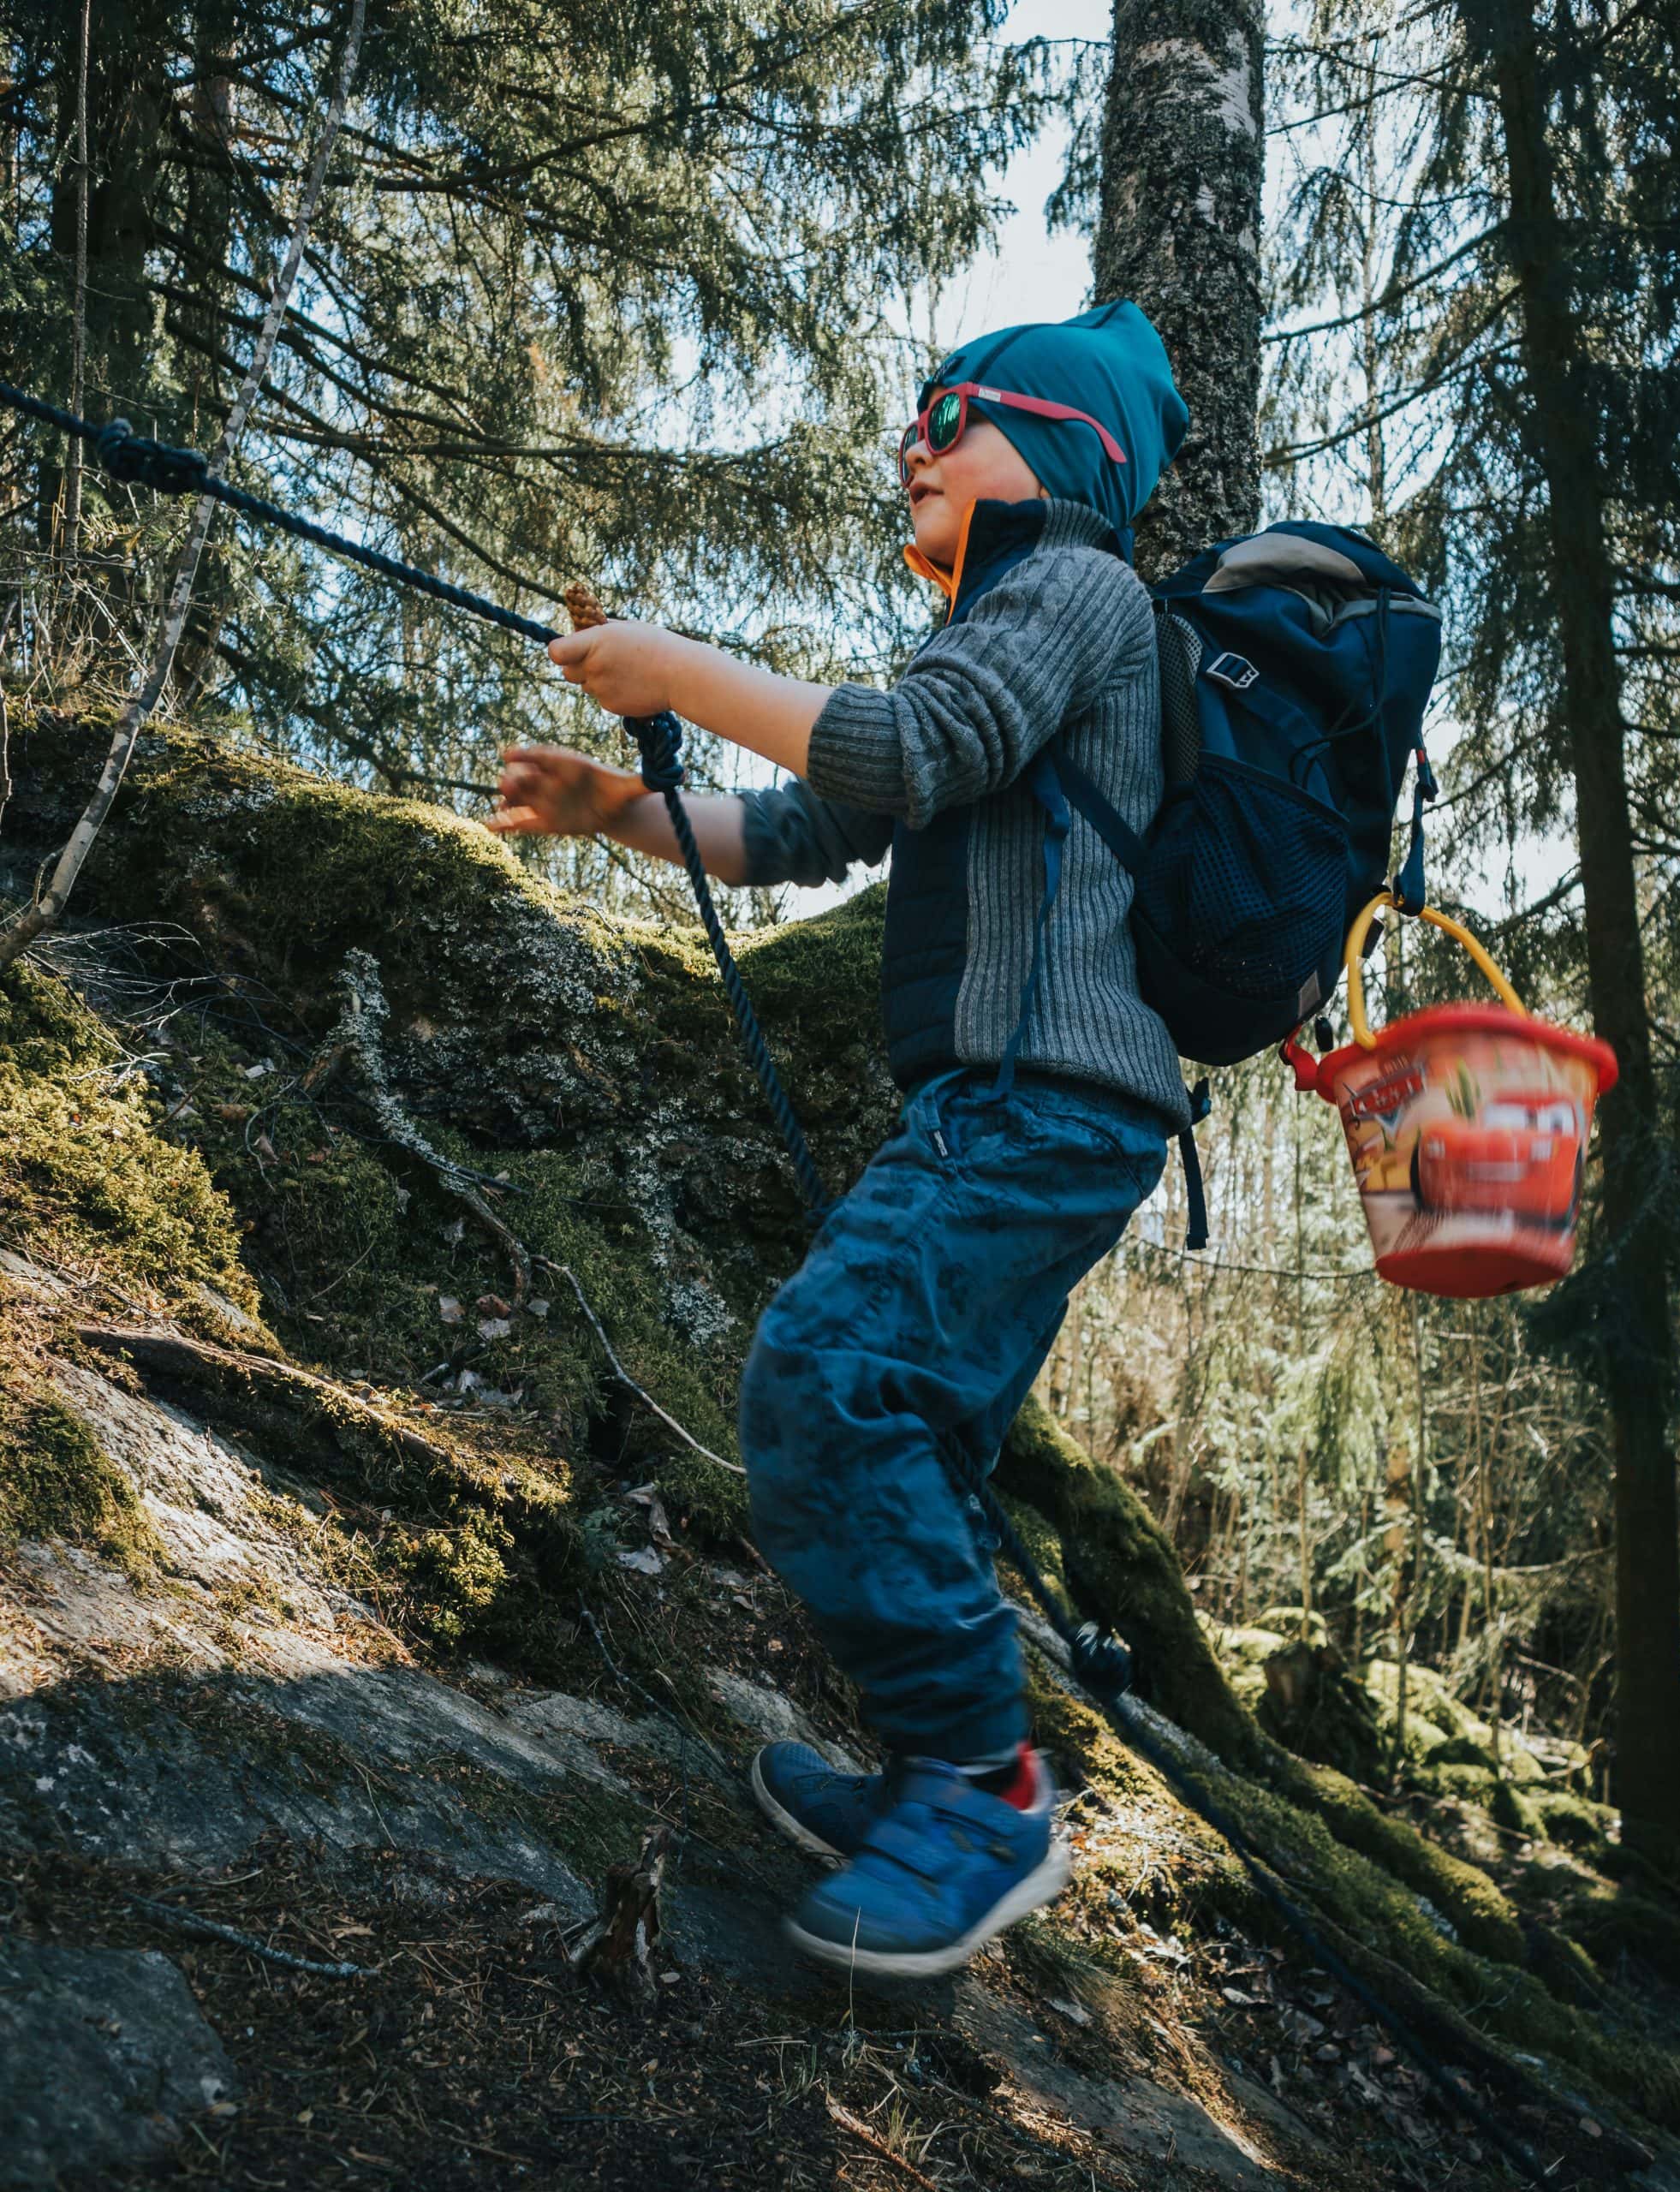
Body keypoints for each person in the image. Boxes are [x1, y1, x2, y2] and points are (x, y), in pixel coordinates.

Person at [491, 301, 1191, 1978]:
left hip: (1040, 1104)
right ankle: (928, 1772)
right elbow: (808, 825)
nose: (911, 446)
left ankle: (984, 1789)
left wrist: (678, 670)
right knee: (918, 1431)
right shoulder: (1001, 622)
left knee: (823, 1374)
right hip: (1021, 1107)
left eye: (948, 416)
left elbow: (902, 745)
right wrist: (617, 807)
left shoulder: (1075, 589)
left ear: (1060, 446)